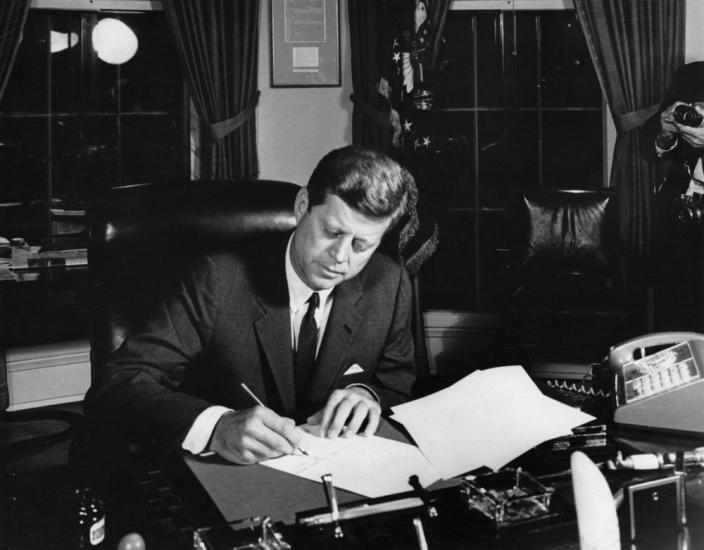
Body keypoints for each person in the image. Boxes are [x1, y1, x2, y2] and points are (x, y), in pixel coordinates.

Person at [84, 146, 417, 465]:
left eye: (362, 245)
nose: (341, 257)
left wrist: (367, 396)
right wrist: (217, 427)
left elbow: (397, 384)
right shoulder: (216, 279)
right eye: (331, 232)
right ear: (302, 206)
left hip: (334, 473)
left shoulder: (388, 282)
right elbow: (119, 386)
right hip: (227, 474)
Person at [645, 61, 704, 330]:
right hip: (678, 214)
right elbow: (651, 141)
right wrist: (665, 134)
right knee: (673, 308)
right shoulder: (692, 74)